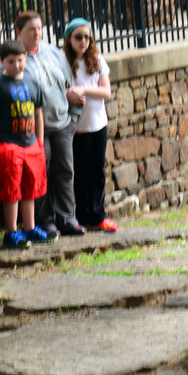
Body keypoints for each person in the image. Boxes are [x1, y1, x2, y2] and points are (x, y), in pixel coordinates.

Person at [16, 10, 84, 237]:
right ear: (19, 32)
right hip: (35, 131)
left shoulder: (54, 53)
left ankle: (67, 218)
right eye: (31, 30)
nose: (37, 33)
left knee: (65, 171)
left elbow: (70, 83)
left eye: (39, 28)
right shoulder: (15, 58)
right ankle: (46, 221)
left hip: (62, 124)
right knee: (39, 174)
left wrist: (73, 118)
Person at [0, 38, 49, 248]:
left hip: (30, 145)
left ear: (26, 58)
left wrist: (39, 141)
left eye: (20, 60)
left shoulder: (32, 81)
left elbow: (38, 113)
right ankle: (11, 231)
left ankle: (30, 227)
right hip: (8, 147)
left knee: (30, 189)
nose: (17, 65)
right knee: (11, 192)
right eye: (11, 61)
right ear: (2, 61)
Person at [64, 17, 118, 232]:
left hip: (98, 124)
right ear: (69, 39)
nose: (83, 41)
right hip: (77, 127)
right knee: (79, 172)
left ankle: (97, 216)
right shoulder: (64, 63)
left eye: (87, 37)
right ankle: (81, 216)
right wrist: (72, 94)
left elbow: (106, 92)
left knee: (96, 171)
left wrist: (83, 90)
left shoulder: (97, 59)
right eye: (78, 37)